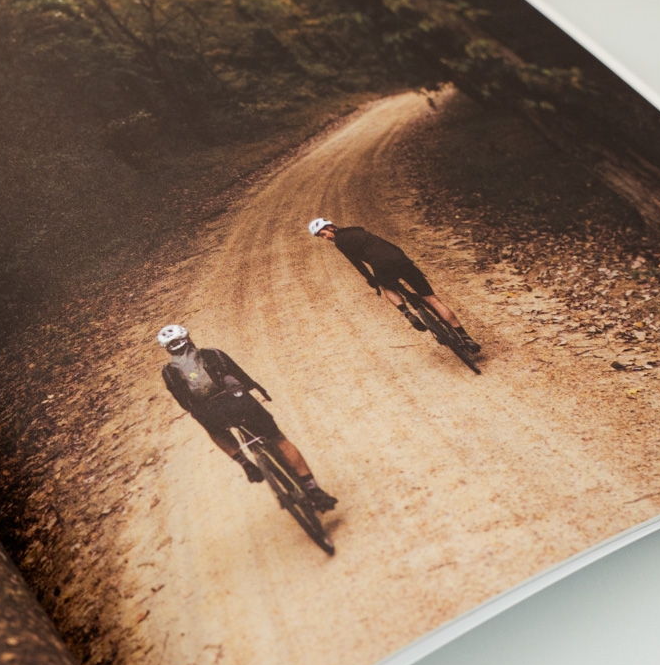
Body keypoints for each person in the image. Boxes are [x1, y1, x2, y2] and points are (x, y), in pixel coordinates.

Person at [156, 324, 336, 511]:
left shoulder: (168, 373)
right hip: (240, 404)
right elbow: (243, 379)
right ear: (189, 338)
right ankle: (314, 490)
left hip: (211, 414)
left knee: (214, 430)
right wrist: (256, 394)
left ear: (168, 350)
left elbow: (185, 404)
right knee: (278, 439)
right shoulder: (212, 353)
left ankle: (244, 462)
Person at [306, 218, 480, 352]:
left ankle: (406, 313)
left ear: (330, 227)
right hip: (401, 259)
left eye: (323, 234)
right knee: (433, 299)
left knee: (387, 287)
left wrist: (371, 280)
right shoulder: (359, 231)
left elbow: (357, 263)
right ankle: (466, 337)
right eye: (321, 237)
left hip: (381, 265)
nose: (325, 238)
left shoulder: (340, 241)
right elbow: (389, 245)